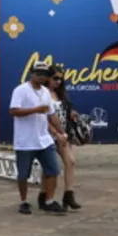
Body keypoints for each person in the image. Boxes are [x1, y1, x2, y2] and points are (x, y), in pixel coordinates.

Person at [10, 62, 67, 215]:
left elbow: (52, 115)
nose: (41, 77)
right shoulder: (21, 90)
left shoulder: (45, 92)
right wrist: (35, 110)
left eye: (44, 75)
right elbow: (13, 111)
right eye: (38, 74)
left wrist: (62, 133)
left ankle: (49, 200)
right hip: (25, 141)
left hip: (44, 139)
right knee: (23, 174)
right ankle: (23, 201)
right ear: (32, 74)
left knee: (53, 170)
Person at [46, 65, 82, 210]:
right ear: (48, 78)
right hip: (47, 133)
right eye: (55, 78)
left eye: (61, 79)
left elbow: (65, 109)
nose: (58, 81)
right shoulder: (43, 94)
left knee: (71, 161)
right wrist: (55, 132)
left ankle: (69, 194)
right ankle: (45, 196)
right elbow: (44, 117)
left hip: (62, 133)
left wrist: (71, 113)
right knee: (49, 168)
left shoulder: (61, 94)